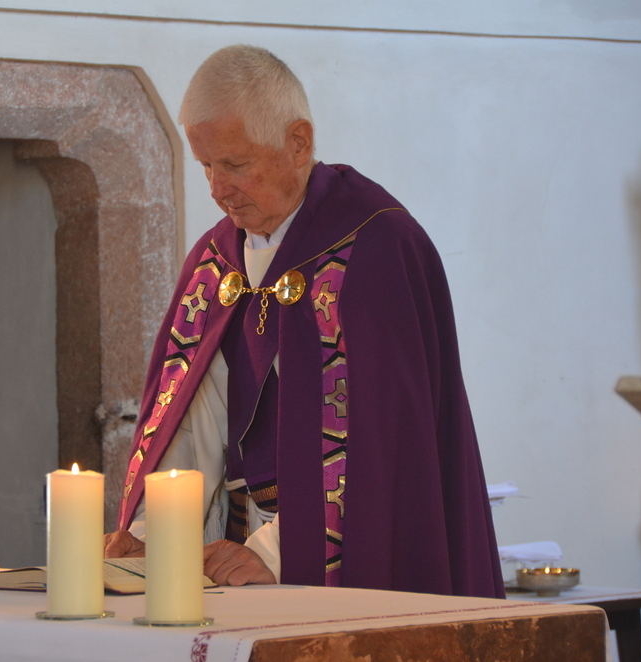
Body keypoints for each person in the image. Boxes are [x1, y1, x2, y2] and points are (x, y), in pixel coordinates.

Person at [104, 44, 505, 598]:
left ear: (298, 143)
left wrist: (275, 552)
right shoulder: (214, 261)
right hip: (231, 558)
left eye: (235, 165)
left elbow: (381, 450)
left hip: (333, 569)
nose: (217, 189)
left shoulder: (376, 249)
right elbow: (190, 424)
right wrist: (157, 537)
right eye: (206, 166)